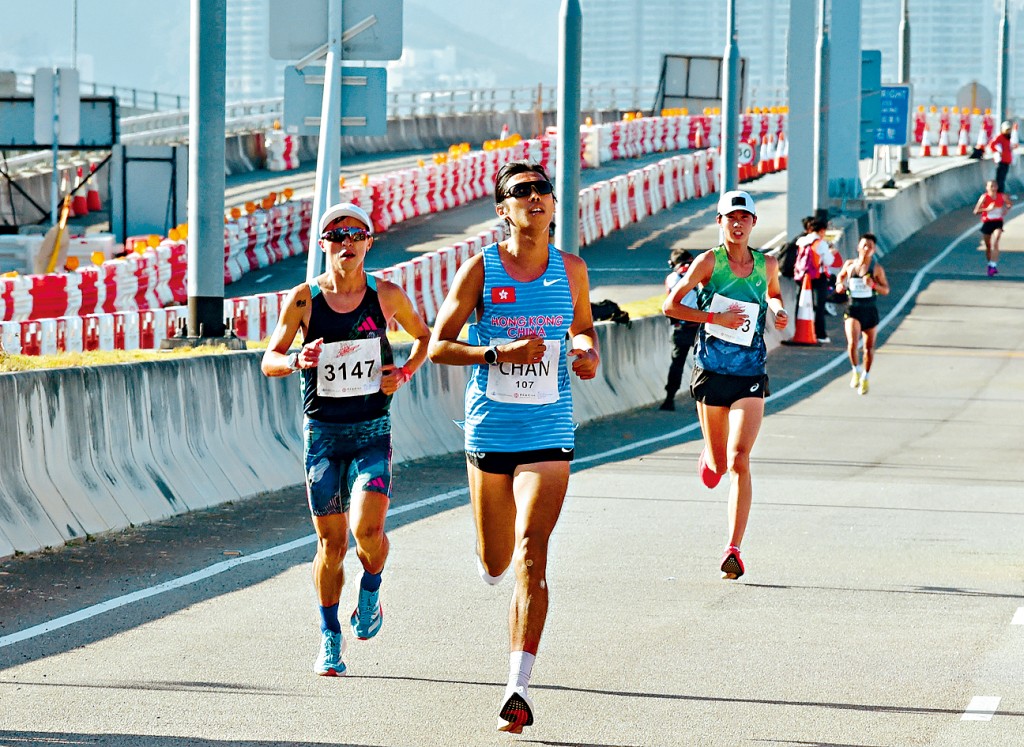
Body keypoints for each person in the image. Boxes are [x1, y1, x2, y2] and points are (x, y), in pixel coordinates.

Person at [428, 161, 600, 733]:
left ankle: (517, 687)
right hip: (491, 430)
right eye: (519, 192)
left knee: (533, 551)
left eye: (541, 190)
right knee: (498, 559)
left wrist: (585, 352)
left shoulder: (571, 268)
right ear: (502, 209)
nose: (534, 197)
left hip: (549, 428)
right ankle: (487, 559)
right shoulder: (481, 269)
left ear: (553, 205)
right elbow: (438, 347)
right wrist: (498, 355)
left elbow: (583, 329)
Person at [261, 202, 430, 677]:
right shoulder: (303, 300)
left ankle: (371, 591)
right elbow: (269, 358)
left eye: (356, 235)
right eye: (337, 236)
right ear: (323, 246)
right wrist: (298, 359)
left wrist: (405, 372)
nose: (347, 243)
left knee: (368, 533)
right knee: (331, 546)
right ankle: (330, 637)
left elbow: (425, 337)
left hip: (372, 432)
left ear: (368, 243)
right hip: (323, 438)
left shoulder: (387, 296)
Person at [662, 190, 788, 581]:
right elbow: (669, 306)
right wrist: (713, 319)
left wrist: (780, 311)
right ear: (720, 223)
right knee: (718, 464)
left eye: (743, 218)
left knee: (739, 459)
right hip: (711, 370)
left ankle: (733, 548)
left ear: (752, 223)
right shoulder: (706, 263)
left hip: (750, 373)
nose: (737, 224)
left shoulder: (766, 263)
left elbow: (773, 294)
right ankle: (707, 457)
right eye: (730, 218)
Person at [834, 233, 889, 396]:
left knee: (868, 348)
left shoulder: (876, 269)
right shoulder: (850, 265)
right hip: (853, 309)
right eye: (864, 245)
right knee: (852, 342)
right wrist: (839, 284)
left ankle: (866, 376)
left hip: (869, 310)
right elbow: (841, 276)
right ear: (858, 247)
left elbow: (886, 289)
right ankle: (855, 370)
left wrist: (873, 285)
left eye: (870, 246)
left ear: (874, 250)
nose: (866, 249)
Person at [659, 247, 699, 411]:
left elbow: (669, 303)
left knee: (677, 364)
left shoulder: (672, 278)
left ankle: (669, 399)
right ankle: (701, 401)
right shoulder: (701, 272)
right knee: (702, 365)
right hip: (700, 326)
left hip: (681, 327)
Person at [793, 217, 833, 343]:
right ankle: (820, 334)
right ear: (821, 230)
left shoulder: (801, 241)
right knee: (819, 307)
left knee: (801, 305)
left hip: (803, 278)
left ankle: (800, 332)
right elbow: (828, 261)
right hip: (817, 277)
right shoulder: (820, 243)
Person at [973, 179, 1012, 277]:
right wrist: (987, 209)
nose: (993, 188)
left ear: (997, 187)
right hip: (987, 222)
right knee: (988, 246)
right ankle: (990, 264)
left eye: (994, 186)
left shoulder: (1001, 196)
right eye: (991, 186)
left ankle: (993, 265)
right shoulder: (984, 197)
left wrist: (1006, 209)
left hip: (998, 222)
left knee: (996, 241)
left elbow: (1009, 204)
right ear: (987, 188)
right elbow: (976, 211)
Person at [988, 120, 1014, 194]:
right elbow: (991, 144)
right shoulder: (1000, 137)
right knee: (1000, 180)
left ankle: (1000, 196)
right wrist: (997, 151)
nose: (1008, 131)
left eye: (1009, 130)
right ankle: (999, 195)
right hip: (1001, 161)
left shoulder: (1008, 137)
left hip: (1007, 161)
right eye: (1007, 130)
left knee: (1002, 179)